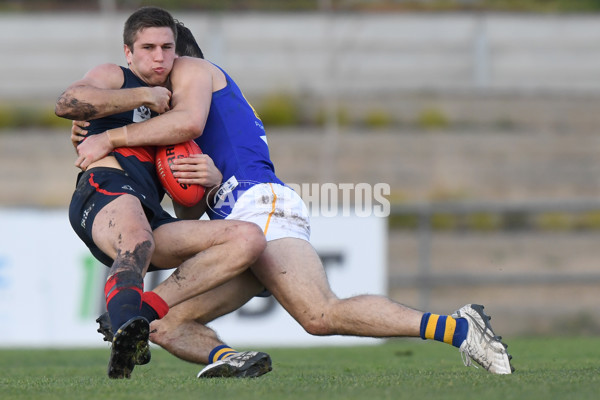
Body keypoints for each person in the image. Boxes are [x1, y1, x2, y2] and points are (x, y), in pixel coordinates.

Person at [71, 10, 514, 376]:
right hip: (240, 213)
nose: (161, 66)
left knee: (319, 313)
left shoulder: (194, 70)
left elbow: (186, 123)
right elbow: (187, 211)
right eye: (150, 53)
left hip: (258, 205)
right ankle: (223, 357)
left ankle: (459, 328)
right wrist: (200, 185)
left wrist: (110, 138)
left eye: (167, 52)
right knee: (168, 326)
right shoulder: (181, 118)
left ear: (182, 57)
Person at [55, 7, 268, 379]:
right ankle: (126, 323)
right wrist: (142, 95)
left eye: (167, 48)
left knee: (248, 240)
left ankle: (139, 318)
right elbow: (68, 103)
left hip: (151, 216)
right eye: (148, 47)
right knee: (136, 238)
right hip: (104, 190)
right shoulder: (115, 76)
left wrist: (209, 181)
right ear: (129, 52)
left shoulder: (178, 117)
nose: (159, 57)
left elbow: (187, 212)